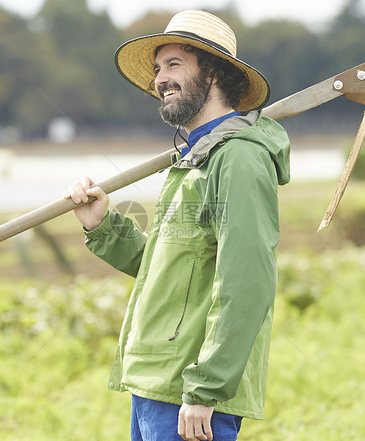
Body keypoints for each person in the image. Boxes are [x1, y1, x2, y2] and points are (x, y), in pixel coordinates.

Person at [63, 10, 290, 441]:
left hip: (192, 393)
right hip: (156, 384)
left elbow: (247, 280)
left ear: (217, 73)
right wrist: (103, 227)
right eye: (156, 69)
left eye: (174, 65)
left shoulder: (238, 158)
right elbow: (167, 269)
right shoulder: (194, 160)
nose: (160, 79)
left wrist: (207, 387)